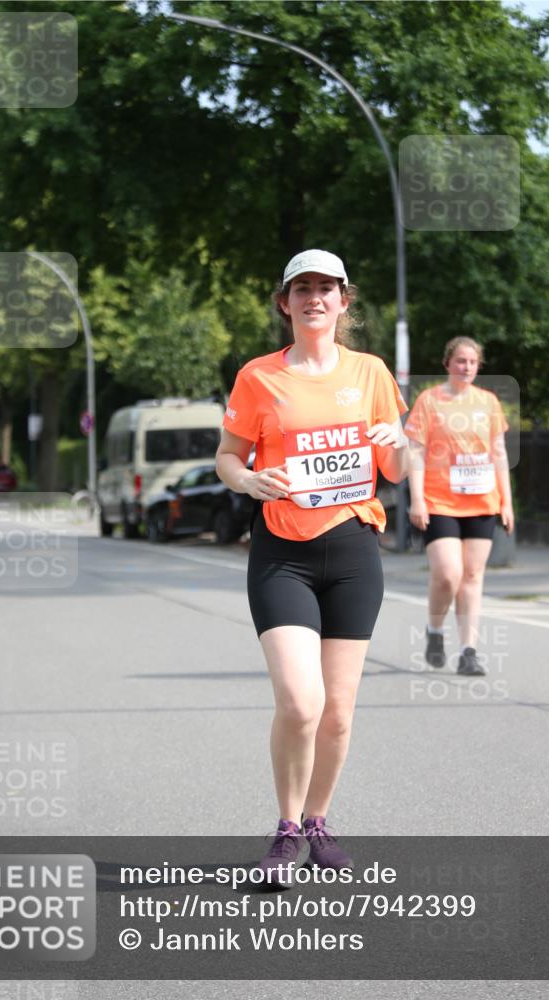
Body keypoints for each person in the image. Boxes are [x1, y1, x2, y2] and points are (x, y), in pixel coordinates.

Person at [216, 249, 408, 885]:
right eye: (303, 289)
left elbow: (397, 471)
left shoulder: (372, 372)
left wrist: (399, 444)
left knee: (339, 711)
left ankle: (319, 822)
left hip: (353, 549)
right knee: (301, 702)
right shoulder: (258, 377)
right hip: (282, 552)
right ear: (285, 302)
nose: (314, 298)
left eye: (327, 288)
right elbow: (227, 456)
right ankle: (285, 829)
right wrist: (247, 479)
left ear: (344, 301)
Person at [405, 336, 514, 676]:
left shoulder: (489, 402)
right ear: (447, 364)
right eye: (460, 361)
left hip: (482, 500)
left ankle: (469, 650)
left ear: (478, 366)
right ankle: (435, 631)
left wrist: (507, 502)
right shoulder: (429, 401)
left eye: (472, 362)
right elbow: (415, 451)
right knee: (448, 574)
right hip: (439, 501)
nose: (466, 367)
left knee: (472, 575)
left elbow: (499, 453)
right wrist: (418, 499)